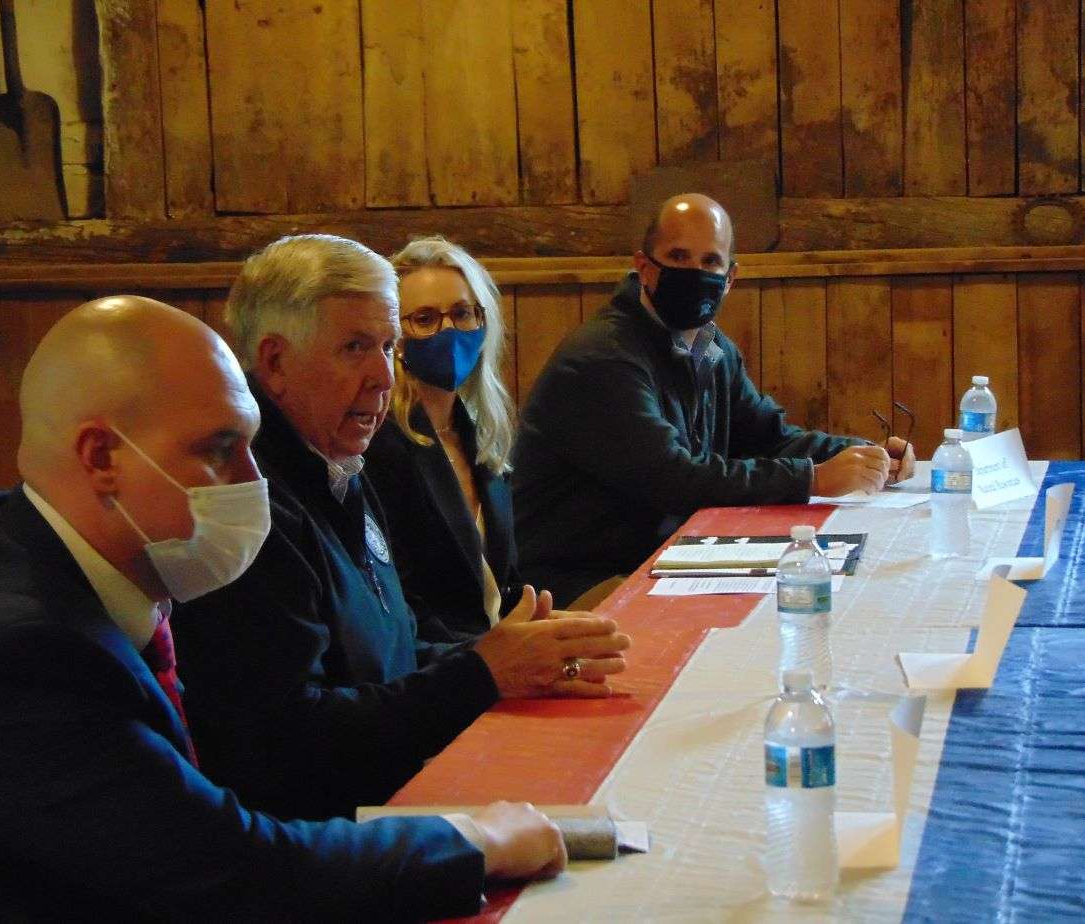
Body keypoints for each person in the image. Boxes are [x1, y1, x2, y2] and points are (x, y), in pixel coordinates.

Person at [0, 296, 567, 920]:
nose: (253, 480)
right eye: (219, 450)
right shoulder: (14, 656)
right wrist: (473, 841)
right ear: (100, 458)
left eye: (250, 445)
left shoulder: (15, 538)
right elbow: (235, 875)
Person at [174, 235, 630, 822]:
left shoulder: (337, 463)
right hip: (327, 835)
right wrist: (483, 672)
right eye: (354, 347)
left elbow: (393, 653)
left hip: (395, 789)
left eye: (388, 348)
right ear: (275, 363)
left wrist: (519, 656)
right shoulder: (250, 506)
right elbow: (289, 743)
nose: (383, 377)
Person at [512, 193, 916, 606]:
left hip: (671, 557)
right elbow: (673, 479)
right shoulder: (603, 357)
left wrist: (863, 454)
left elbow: (767, 436)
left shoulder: (709, 347)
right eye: (678, 256)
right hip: (574, 583)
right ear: (644, 266)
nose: (694, 273)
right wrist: (814, 478)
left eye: (709, 262)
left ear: (730, 276)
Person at [363, 236, 520, 642]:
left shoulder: (478, 432)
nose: (449, 330)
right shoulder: (381, 445)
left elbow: (505, 583)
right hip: (441, 667)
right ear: (396, 337)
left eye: (463, 314)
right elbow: (404, 605)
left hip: (497, 648)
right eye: (426, 319)